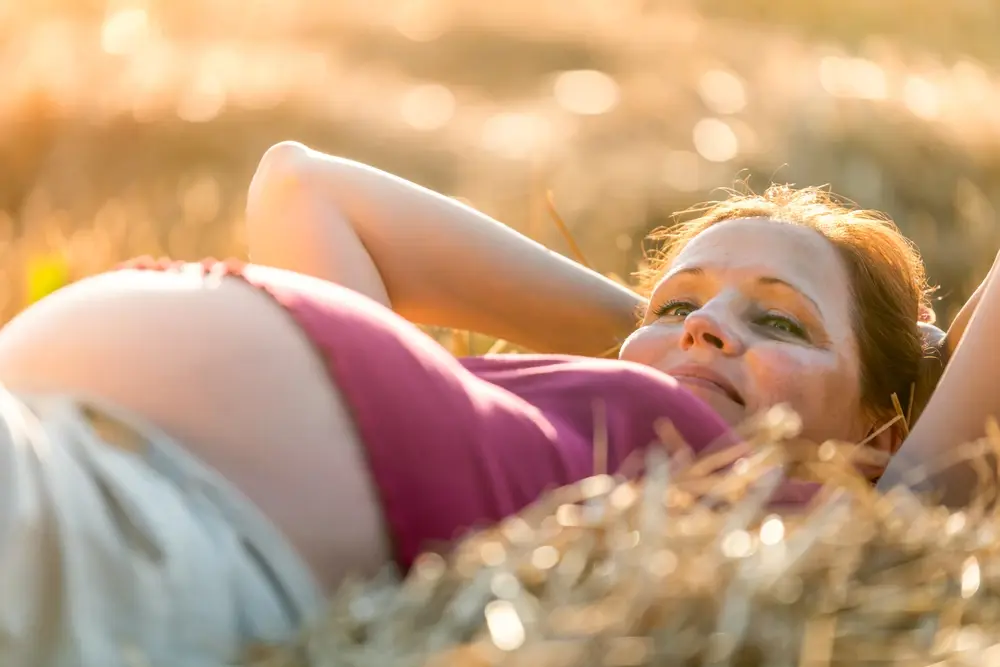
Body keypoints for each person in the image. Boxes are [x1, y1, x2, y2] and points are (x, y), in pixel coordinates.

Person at [0, 140, 982, 665]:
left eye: (784, 323)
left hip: (150, 536)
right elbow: (304, 184)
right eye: (683, 301)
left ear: (880, 436)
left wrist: (925, 381)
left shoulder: (847, 519)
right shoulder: (584, 401)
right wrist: (652, 337)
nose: (707, 325)